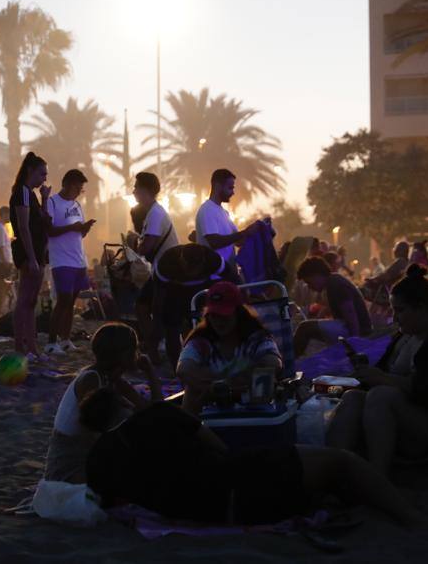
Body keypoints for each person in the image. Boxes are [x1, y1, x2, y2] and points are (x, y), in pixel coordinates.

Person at [81, 388, 428, 529]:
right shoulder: (157, 414)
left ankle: (338, 498)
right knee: (339, 460)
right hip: (238, 486)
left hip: (205, 513)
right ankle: (411, 515)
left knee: (322, 476)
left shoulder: (96, 464)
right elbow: (217, 445)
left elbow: (116, 503)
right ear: (123, 405)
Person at [325, 265, 428, 474]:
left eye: (400, 310)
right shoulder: (405, 336)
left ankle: (377, 477)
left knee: (381, 396)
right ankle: (335, 469)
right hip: (398, 421)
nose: (395, 317)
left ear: (422, 308)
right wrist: (367, 373)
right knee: (353, 397)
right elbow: (382, 374)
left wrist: (382, 378)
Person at [45, 323, 161, 484]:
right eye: (135, 350)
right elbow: (95, 431)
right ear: (124, 354)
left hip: (89, 456)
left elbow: (154, 410)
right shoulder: (91, 379)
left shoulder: (111, 379)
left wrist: (150, 373)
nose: (138, 354)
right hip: (69, 466)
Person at [177, 281, 283, 415]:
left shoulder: (256, 339)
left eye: (224, 315)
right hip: (210, 402)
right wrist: (215, 388)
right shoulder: (201, 341)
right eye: (214, 315)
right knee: (192, 389)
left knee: (264, 380)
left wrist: (229, 384)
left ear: (238, 313)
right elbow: (183, 369)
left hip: (252, 404)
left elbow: (273, 363)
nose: (219, 321)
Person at [45, 169, 96, 356]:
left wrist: (84, 229)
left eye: (81, 189)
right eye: (77, 187)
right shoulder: (52, 202)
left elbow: (79, 234)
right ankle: (51, 342)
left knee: (72, 302)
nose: (78, 192)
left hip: (78, 258)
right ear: (67, 184)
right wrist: (71, 227)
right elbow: (49, 231)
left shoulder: (77, 205)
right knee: (63, 300)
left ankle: (65, 339)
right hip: (61, 260)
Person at [132, 172, 180, 368]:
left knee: (159, 314)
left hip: (166, 272)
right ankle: (155, 350)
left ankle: (157, 352)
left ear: (147, 191)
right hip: (163, 270)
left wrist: (133, 244)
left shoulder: (155, 214)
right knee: (150, 309)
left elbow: (148, 246)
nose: (134, 192)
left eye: (137, 188)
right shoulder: (154, 212)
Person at [9, 152, 51, 359]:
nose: (44, 178)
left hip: (37, 252)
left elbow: (42, 221)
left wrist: (45, 199)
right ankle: (21, 346)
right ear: (30, 171)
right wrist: (32, 258)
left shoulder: (31, 194)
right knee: (25, 300)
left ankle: (31, 346)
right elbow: (23, 228)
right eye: (42, 173)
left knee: (31, 301)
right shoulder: (22, 192)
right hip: (29, 253)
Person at [293, 256, 373, 357]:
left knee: (304, 328)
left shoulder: (335, 284)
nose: (309, 287)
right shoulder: (332, 283)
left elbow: (351, 315)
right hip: (351, 328)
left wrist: (355, 344)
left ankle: (289, 363)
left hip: (359, 331)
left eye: (309, 282)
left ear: (317, 275)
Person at [195, 169, 257, 281]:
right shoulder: (207, 210)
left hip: (228, 275)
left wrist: (257, 230)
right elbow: (214, 242)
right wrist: (245, 232)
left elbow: (238, 241)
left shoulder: (224, 213)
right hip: (214, 277)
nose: (233, 192)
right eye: (230, 188)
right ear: (218, 186)